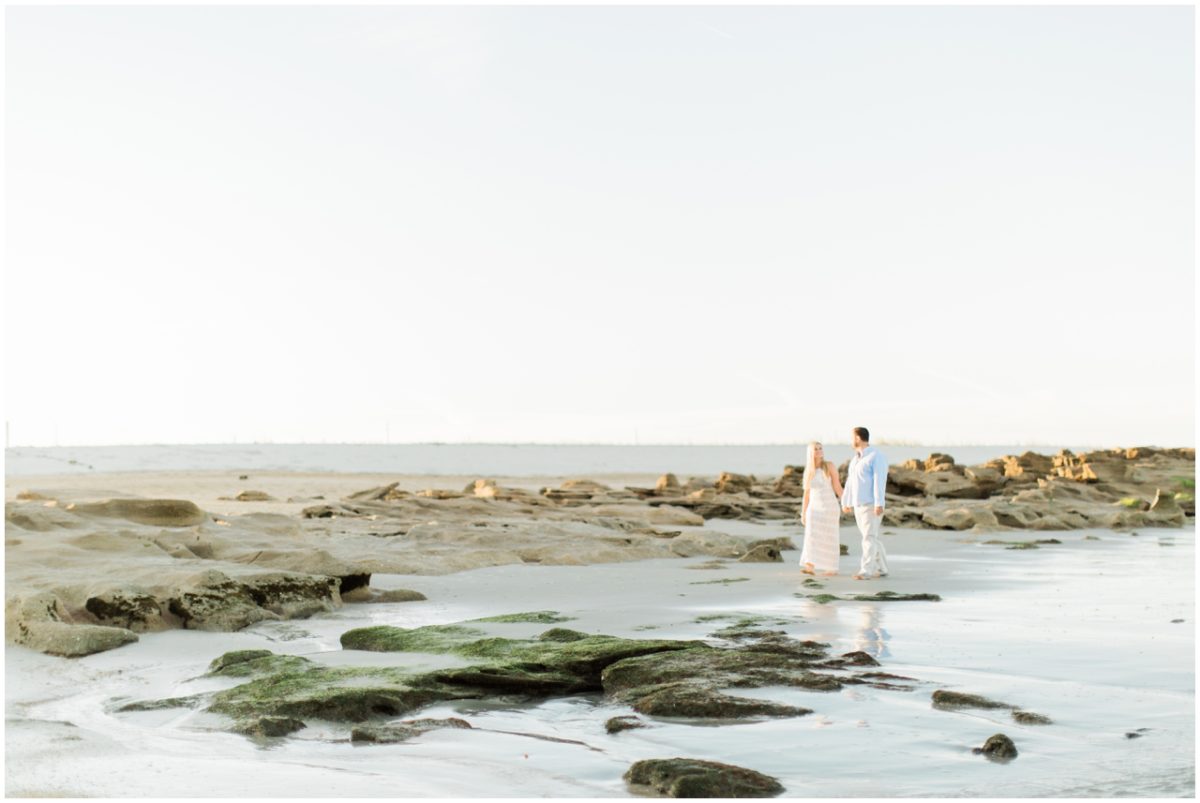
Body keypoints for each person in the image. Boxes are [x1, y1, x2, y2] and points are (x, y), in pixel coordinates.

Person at [841, 426, 889, 580]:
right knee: (871, 537)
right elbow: (850, 482)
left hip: (870, 504)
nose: (850, 441)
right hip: (858, 504)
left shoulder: (876, 456)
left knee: (868, 537)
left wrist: (879, 503)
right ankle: (882, 568)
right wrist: (846, 502)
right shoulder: (855, 459)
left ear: (857, 438)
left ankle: (866, 570)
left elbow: (879, 481)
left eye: (851, 437)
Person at [799, 441, 844, 576]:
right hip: (814, 508)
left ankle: (831, 567)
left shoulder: (829, 466)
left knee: (830, 537)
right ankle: (810, 566)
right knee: (811, 535)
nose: (819, 451)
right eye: (816, 449)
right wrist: (803, 512)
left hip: (829, 507)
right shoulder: (808, 470)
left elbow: (837, 486)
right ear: (810, 453)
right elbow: (806, 494)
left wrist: (845, 502)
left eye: (820, 448)